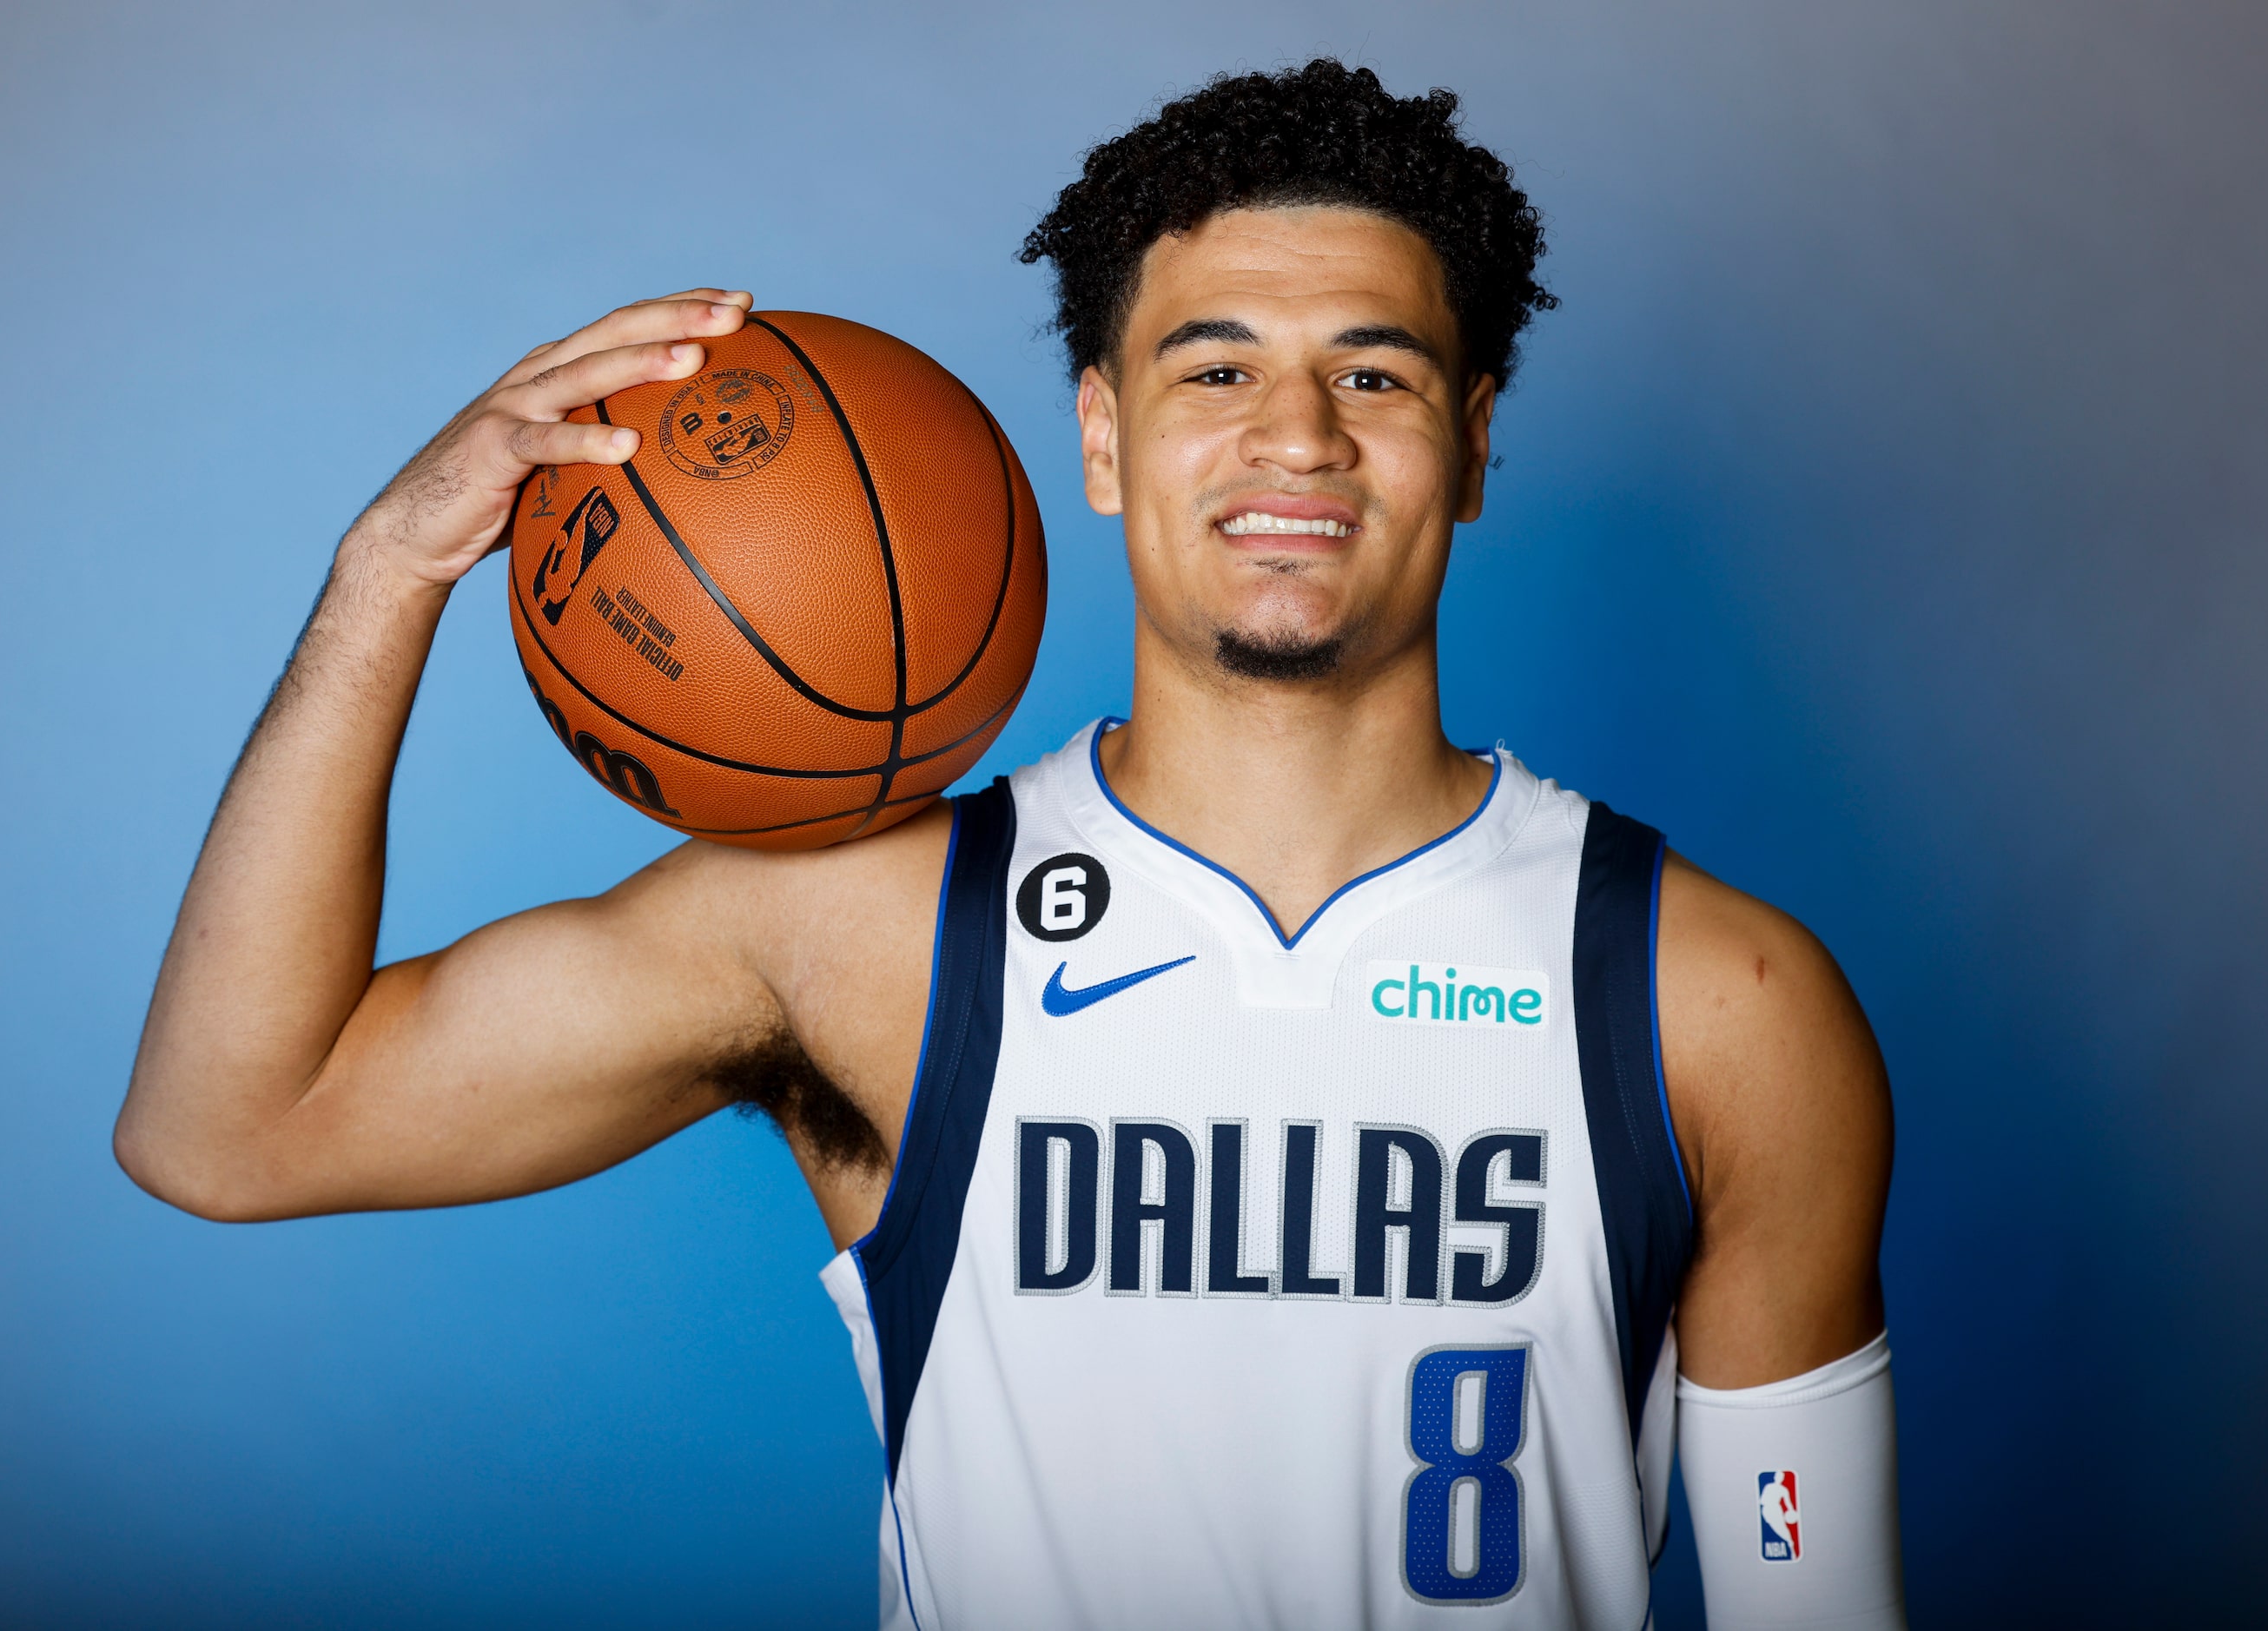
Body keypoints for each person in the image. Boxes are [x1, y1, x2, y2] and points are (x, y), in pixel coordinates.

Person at [118, 59, 1903, 1631]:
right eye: (1214, 370)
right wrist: (388, 576)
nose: (1295, 435)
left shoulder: (1710, 1000)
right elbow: (230, 1127)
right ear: (1105, 440)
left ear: (1474, 440)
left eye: (1374, 374)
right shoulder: (861, 930)